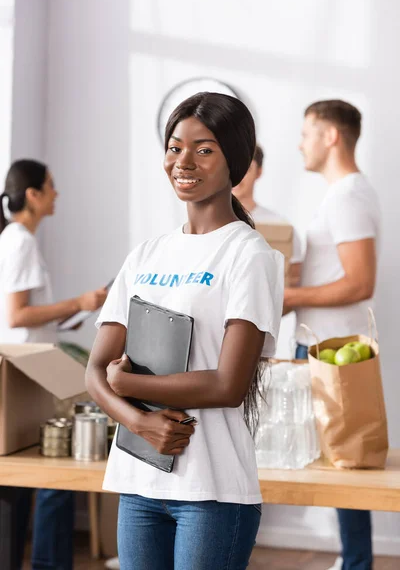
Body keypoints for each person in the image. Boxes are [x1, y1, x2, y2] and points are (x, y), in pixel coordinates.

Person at [86, 92, 284, 570]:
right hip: (138, 485)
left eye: (204, 149)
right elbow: (95, 368)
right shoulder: (146, 254)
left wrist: (130, 386)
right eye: (175, 148)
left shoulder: (249, 255)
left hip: (212, 494)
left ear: (234, 160)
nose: (184, 161)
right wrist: (138, 421)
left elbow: (228, 384)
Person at [284, 100, 380, 570]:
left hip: (334, 350)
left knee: (347, 463)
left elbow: (361, 282)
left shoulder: (347, 196)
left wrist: (289, 298)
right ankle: (355, 561)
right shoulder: (341, 196)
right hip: (324, 346)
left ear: (331, 136)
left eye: (306, 132)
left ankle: (357, 563)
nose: (299, 142)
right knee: (342, 460)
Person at [0, 159, 108, 570]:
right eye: (51, 185)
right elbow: (17, 316)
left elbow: (30, 314)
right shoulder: (21, 241)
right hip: (27, 371)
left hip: (28, 368)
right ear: (33, 194)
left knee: (29, 478)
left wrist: (77, 311)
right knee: (54, 473)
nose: (57, 193)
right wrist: (78, 303)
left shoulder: (18, 239)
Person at [232, 143, 303, 286]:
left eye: (246, 168)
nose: (238, 174)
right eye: (232, 166)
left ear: (258, 172)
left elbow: (293, 281)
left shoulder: (280, 226)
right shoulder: (203, 224)